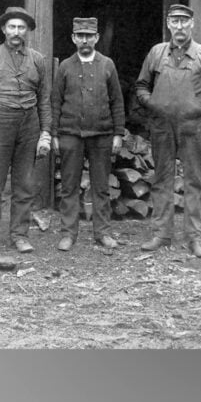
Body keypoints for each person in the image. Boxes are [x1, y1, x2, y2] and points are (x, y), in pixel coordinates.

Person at [135, 4, 201, 258]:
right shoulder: (156, 53)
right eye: (174, 21)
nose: (179, 27)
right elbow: (142, 85)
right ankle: (161, 233)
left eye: (184, 22)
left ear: (192, 25)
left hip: (193, 127)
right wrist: (151, 103)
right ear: (168, 24)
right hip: (162, 127)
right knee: (162, 179)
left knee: (195, 181)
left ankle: (194, 237)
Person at [0, 7, 52, 254]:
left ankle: (19, 235)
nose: (16, 32)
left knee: (24, 184)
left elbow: (44, 99)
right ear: (4, 29)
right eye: (12, 27)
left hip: (29, 123)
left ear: (27, 31)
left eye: (21, 27)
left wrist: (46, 132)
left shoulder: (37, 59)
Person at [52, 17, 126, 254]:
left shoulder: (107, 65)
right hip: (70, 134)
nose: (85, 40)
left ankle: (102, 232)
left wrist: (118, 133)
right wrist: (53, 133)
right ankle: (68, 233)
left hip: (102, 135)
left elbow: (117, 101)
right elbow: (55, 102)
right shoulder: (65, 66)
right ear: (73, 38)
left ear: (96, 38)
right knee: (69, 185)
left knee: (101, 186)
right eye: (80, 36)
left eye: (89, 36)